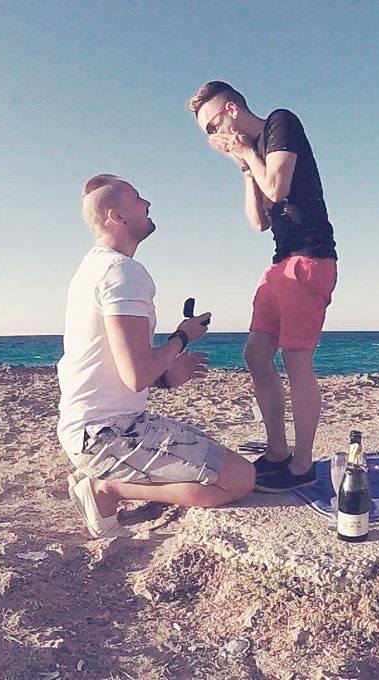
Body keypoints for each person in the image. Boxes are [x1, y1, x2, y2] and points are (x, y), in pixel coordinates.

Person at [56, 173, 256, 538]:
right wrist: (182, 337)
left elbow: (115, 365)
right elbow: (136, 375)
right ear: (117, 217)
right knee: (240, 479)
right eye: (137, 199)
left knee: (222, 463)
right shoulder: (122, 272)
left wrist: (166, 377)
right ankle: (104, 488)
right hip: (107, 434)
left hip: (91, 428)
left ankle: (99, 478)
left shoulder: (92, 267)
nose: (147, 203)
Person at [187, 81, 338, 492]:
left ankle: (302, 465)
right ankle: (276, 451)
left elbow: (278, 188)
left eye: (212, 125)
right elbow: (257, 221)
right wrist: (242, 164)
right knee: (255, 353)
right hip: (280, 264)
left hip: (310, 259)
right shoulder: (254, 152)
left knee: (296, 360)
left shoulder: (280, 123)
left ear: (231, 110)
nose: (212, 136)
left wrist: (247, 153)